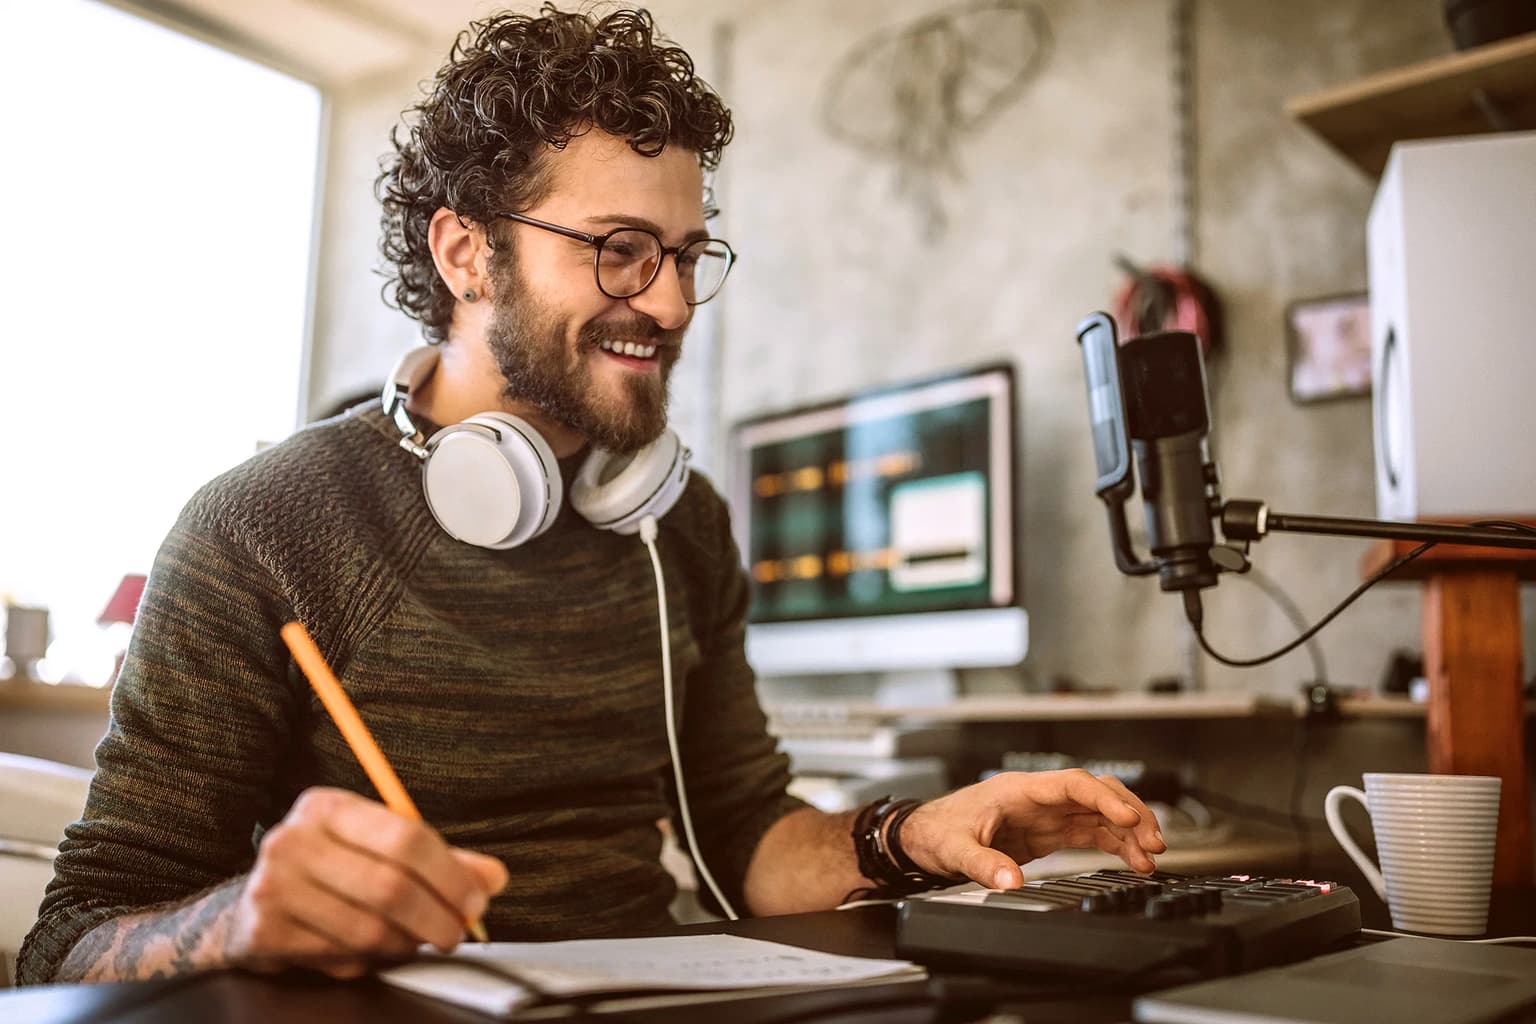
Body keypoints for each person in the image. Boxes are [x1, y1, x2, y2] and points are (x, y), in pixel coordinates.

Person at [17, 4, 1163, 986]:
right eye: (618, 249)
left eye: (684, 254)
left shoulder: (682, 522)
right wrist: (242, 923)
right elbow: (67, 943)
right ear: (467, 255)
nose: (666, 304)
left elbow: (746, 837)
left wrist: (912, 832)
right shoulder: (260, 528)